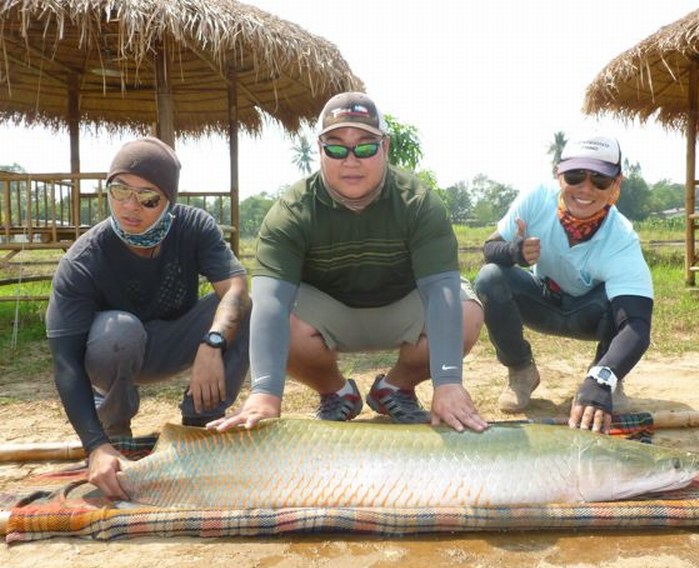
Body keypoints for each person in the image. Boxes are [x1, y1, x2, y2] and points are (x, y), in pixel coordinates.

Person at [210, 91, 487, 434]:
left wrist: (448, 381)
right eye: (336, 147)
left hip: (400, 305)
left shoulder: (418, 203)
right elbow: (270, 303)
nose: (351, 159)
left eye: (366, 146)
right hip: (328, 315)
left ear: (385, 148)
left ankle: (395, 388)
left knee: (467, 311)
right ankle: (335, 392)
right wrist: (265, 394)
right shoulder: (291, 213)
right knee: (276, 317)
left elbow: (440, 290)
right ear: (320, 151)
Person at [46, 136, 252, 499]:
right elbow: (65, 362)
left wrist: (213, 341)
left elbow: (235, 287)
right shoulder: (82, 261)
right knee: (118, 331)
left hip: (176, 340)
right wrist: (93, 445)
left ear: (169, 201)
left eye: (148, 198)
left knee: (251, 302)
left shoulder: (194, 227)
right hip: (116, 353)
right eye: (120, 190)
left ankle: (201, 421)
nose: (130, 206)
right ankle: (115, 429)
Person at [473, 134, 653, 434]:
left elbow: (636, 325)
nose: (585, 189)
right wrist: (513, 252)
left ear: (616, 186)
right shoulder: (536, 200)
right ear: (559, 176)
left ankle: (604, 378)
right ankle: (521, 371)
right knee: (490, 277)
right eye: (575, 176)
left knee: (618, 300)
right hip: (543, 301)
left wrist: (601, 379)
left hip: (591, 315)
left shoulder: (621, 239)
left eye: (600, 181)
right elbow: (490, 248)